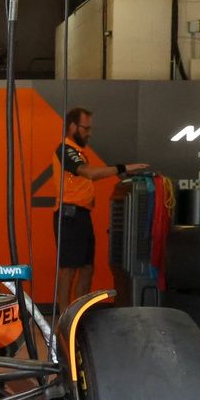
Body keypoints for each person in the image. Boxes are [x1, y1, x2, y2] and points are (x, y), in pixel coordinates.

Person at [50, 107, 148, 316]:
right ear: (73, 126)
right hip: (69, 215)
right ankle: (64, 316)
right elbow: (90, 174)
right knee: (67, 269)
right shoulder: (65, 150)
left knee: (87, 268)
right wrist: (123, 168)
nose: (89, 133)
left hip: (82, 214)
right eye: (86, 128)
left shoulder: (78, 152)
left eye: (90, 129)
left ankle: (80, 314)